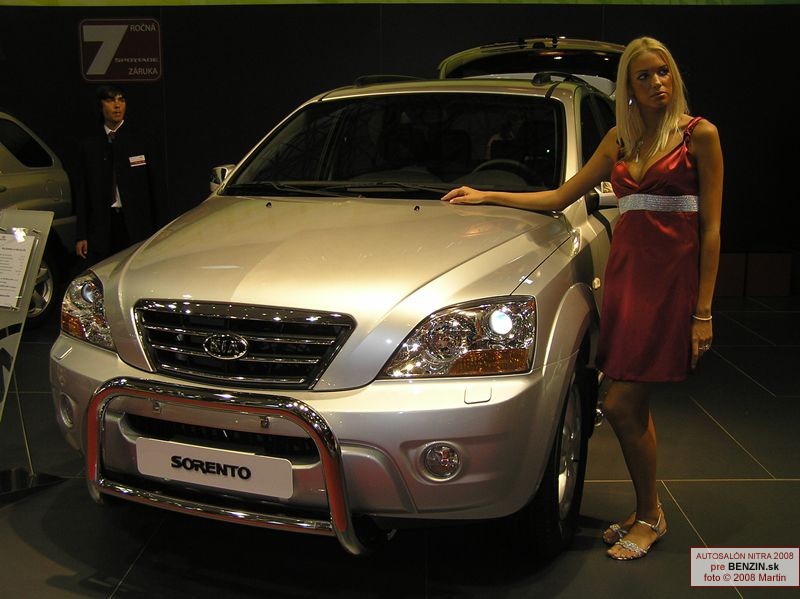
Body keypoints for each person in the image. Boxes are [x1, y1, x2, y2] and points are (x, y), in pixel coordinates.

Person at [442, 37, 723, 560]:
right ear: (629, 87)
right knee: (632, 404)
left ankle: (651, 516)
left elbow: (711, 229)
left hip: (669, 286)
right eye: (644, 76)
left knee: (618, 404)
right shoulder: (620, 139)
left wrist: (703, 312)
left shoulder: (699, 135)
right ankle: (647, 511)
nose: (657, 83)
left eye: (663, 71)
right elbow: (559, 196)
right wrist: (487, 194)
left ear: (674, 76)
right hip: (626, 280)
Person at [74, 85, 163, 264]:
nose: (117, 106)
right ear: (100, 106)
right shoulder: (89, 145)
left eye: (121, 100)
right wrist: (81, 234)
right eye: (110, 100)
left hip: (136, 225)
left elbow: (157, 187)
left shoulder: (141, 140)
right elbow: (82, 193)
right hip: (103, 226)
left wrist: (162, 230)